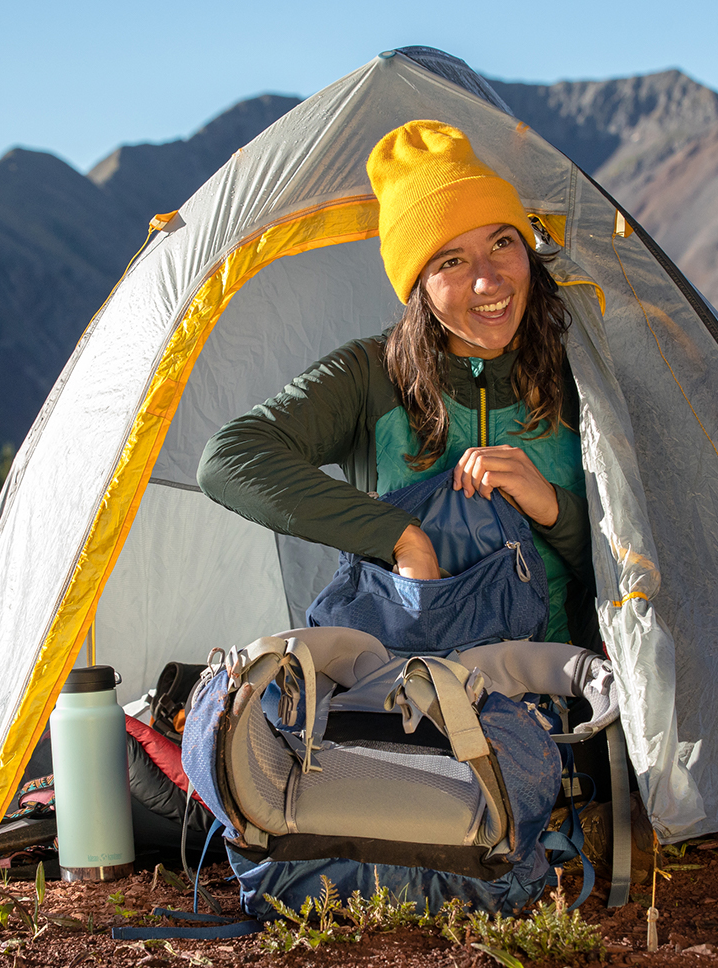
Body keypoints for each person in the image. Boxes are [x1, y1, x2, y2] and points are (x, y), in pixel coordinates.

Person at [197, 120, 597, 651]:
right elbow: (230, 459)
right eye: (451, 260)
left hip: (564, 698)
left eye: (502, 241)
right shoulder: (372, 374)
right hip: (410, 705)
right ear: (418, 288)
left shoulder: (584, 375)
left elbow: (645, 574)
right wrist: (399, 536)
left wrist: (550, 506)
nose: (489, 280)